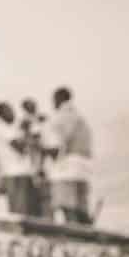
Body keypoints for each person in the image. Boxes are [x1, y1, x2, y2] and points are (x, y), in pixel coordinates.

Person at [48, 87, 95, 224]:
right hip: (84, 169)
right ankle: (87, 236)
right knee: (82, 209)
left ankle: (76, 236)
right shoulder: (80, 117)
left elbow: (56, 148)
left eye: (54, 100)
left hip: (67, 169)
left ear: (59, 99)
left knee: (68, 208)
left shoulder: (59, 118)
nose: (53, 104)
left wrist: (38, 147)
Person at [0, 101, 40, 218]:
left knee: (30, 211)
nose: (11, 112)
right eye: (7, 111)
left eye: (11, 109)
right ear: (1, 115)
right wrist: (27, 132)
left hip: (25, 174)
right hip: (14, 175)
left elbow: (33, 142)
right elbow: (20, 148)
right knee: (19, 212)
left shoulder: (15, 129)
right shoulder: (5, 131)